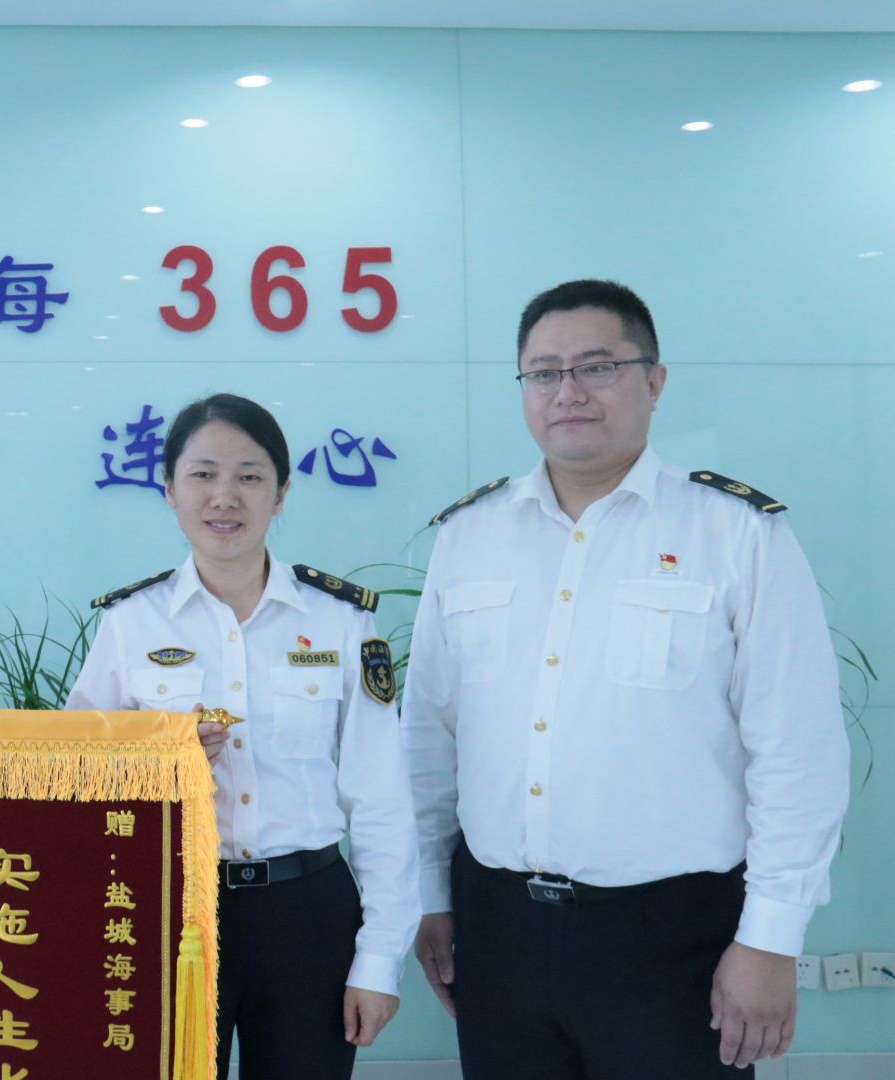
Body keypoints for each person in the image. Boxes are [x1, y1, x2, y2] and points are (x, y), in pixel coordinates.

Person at [402, 279, 851, 1079]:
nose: (568, 392)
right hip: (497, 928)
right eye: (544, 373)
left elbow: (796, 751)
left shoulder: (736, 534)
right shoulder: (469, 536)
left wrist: (770, 939)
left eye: (597, 366)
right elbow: (429, 737)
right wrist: (431, 894)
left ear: (654, 380)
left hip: (674, 935)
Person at [67, 393, 421, 1080]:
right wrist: (160, 762)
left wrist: (379, 960)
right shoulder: (130, 623)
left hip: (308, 913)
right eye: (202, 475)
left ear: (281, 493)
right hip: (172, 909)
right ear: (169, 490)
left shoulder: (340, 620)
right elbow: (80, 780)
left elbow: (381, 796)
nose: (224, 497)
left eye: (249, 477)